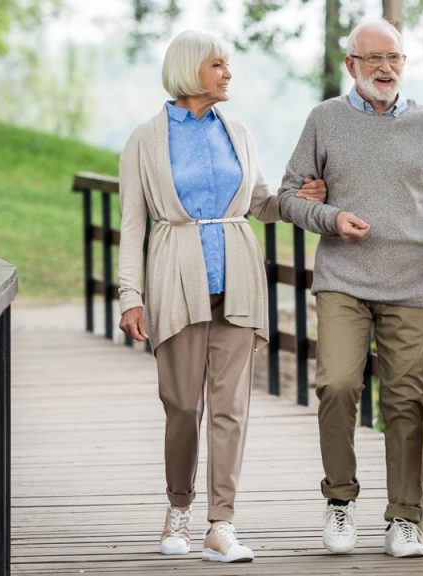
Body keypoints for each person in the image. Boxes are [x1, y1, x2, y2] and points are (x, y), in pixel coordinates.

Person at [117, 30, 325, 562]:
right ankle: (179, 507)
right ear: (191, 70)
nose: (228, 73)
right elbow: (132, 224)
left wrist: (297, 199)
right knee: (182, 405)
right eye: (218, 65)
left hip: (237, 276)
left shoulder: (239, 131)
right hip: (174, 279)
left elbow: (259, 202)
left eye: (227, 65)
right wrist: (130, 295)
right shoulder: (146, 139)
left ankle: (221, 524)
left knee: (231, 407)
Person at [277, 17, 423, 559]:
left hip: (413, 284)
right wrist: (332, 217)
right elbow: (289, 197)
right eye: (374, 60)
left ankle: (405, 518)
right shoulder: (325, 120)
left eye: (394, 58)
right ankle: (339, 502)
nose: (386, 68)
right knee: (338, 385)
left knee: (407, 400)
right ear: (352, 66)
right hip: (343, 278)